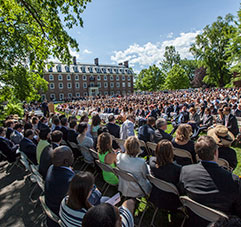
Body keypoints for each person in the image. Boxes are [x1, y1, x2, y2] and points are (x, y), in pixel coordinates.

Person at [179, 136, 241, 227]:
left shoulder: (185, 170)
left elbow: (182, 191)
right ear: (216, 152)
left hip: (194, 216)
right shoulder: (233, 180)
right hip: (222, 221)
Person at [45, 146, 75, 227]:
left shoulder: (51, 167)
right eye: (71, 155)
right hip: (61, 213)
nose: (73, 156)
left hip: (51, 207)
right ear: (66, 162)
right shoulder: (69, 180)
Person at [149, 140, 182, 210]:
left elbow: (153, 158)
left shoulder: (152, 163)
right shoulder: (177, 169)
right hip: (172, 202)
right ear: (171, 153)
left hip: (156, 198)